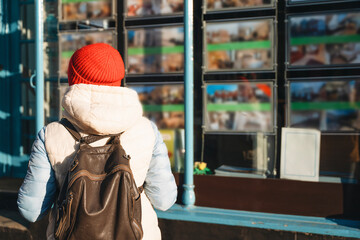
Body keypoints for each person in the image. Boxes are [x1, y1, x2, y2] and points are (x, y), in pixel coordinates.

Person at [17, 43, 178, 240]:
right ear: (118, 80)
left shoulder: (51, 134)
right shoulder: (147, 130)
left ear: (74, 79)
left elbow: (31, 211)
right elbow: (164, 200)